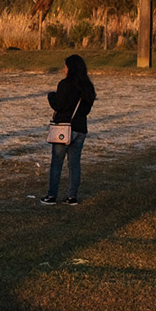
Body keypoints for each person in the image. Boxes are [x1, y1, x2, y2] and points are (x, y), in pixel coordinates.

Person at [42, 53, 95, 205]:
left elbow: (59, 105)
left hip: (64, 128)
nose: (64, 69)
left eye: (65, 67)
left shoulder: (65, 85)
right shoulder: (88, 87)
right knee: (74, 164)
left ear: (70, 68)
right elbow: (86, 110)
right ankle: (72, 196)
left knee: (57, 162)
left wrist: (51, 96)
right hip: (80, 129)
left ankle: (51, 195)